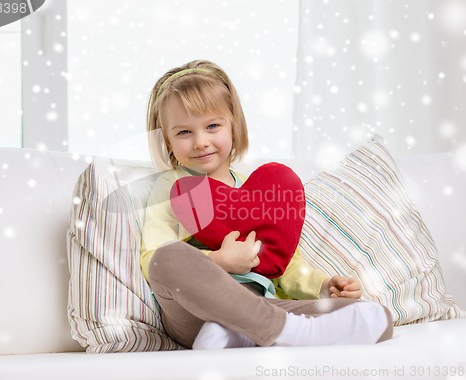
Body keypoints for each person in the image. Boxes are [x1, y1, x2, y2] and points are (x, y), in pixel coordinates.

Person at [140, 59, 393, 349]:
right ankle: (288, 332)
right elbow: (150, 259)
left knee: (376, 317)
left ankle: (241, 334)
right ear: (167, 141)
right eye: (184, 132)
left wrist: (324, 287)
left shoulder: (262, 188)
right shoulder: (172, 185)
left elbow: (285, 262)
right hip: (194, 315)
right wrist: (218, 261)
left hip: (261, 303)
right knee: (166, 257)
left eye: (212, 126)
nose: (200, 141)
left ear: (233, 126)